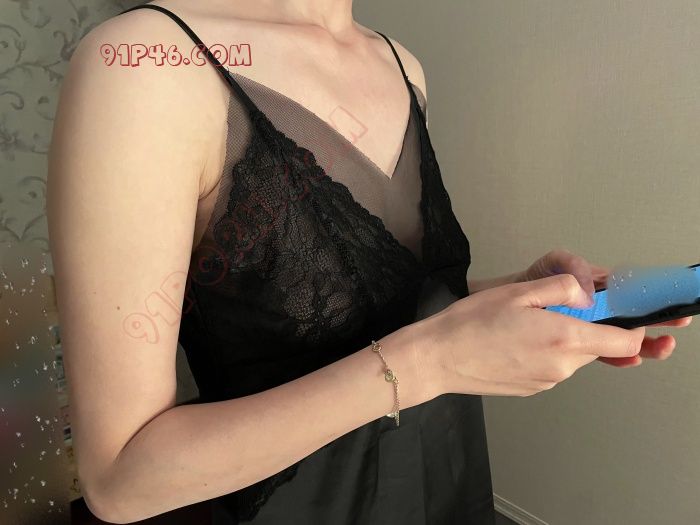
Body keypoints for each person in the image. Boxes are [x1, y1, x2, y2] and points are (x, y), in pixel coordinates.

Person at [46, 1, 692, 523]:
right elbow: (120, 482)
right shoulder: (143, 63)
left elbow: (365, 307)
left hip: (446, 482)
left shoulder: (400, 64)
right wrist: (435, 358)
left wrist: (506, 300)